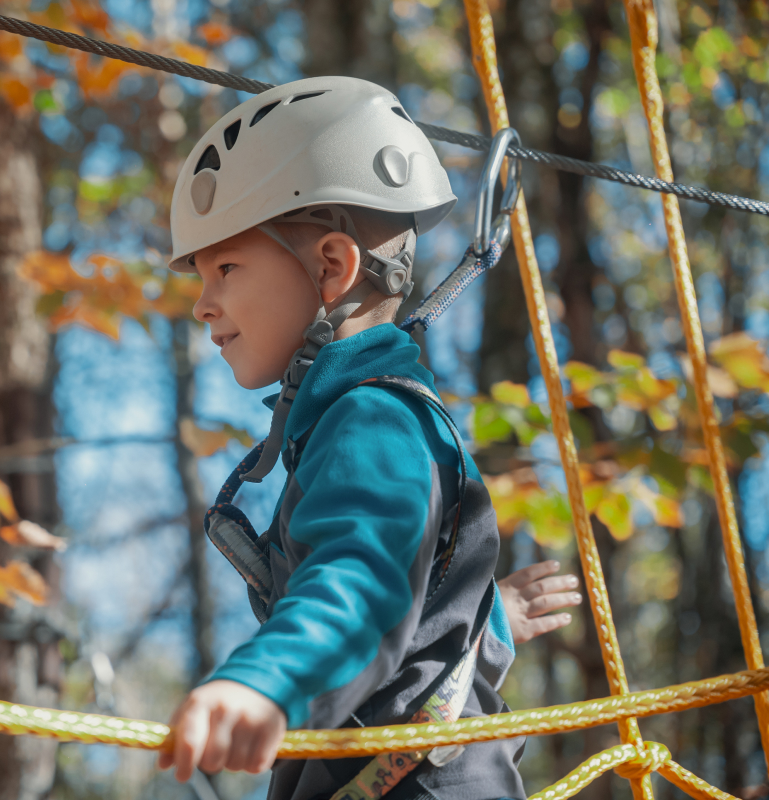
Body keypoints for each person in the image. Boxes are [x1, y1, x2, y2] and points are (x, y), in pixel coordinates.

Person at [157, 76, 580, 800]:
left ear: (331, 267)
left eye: (226, 267)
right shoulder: (367, 420)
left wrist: (271, 679)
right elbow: (403, 631)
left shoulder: (370, 421)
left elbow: (357, 585)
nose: (203, 303)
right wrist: (476, 618)